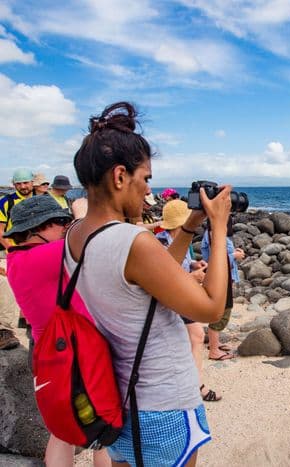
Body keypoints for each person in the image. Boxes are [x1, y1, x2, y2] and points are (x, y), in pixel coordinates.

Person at [66, 101, 231, 466]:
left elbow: (148, 281)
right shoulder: (132, 241)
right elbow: (212, 308)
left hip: (115, 403)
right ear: (120, 176)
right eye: (146, 179)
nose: (147, 191)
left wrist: (188, 228)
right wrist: (218, 228)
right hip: (162, 404)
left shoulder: (75, 236)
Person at [4, 195, 110, 467]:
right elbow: (93, 236)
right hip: (75, 358)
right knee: (105, 429)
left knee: (62, 433)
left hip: (51, 356)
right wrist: (81, 211)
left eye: (65, 222)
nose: (65, 227)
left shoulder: (19, 259)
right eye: (59, 222)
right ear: (36, 229)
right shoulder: (43, 256)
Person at [156, 200, 225, 401]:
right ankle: (197, 386)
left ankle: (193, 384)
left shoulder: (180, 238)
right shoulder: (160, 244)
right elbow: (162, 278)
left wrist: (195, 264)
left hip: (180, 295)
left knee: (191, 337)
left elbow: (182, 263)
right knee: (195, 335)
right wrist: (192, 278)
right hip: (173, 296)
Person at [201, 216, 245, 360]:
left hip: (223, 276)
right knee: (222, 310)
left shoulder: (215, 233)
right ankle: (214, 350)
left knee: (223, 308)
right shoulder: (214, 234)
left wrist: (234, 252)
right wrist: (235, 255)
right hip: (220, 277)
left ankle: (215, 342)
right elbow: (217, 256)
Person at [0, 168, 34, 253]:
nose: (22, 186)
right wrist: (12, 250)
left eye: (26, 182)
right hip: (14, 250)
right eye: (18, 183)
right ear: (14, 185)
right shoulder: (6, 202)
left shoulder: (40, 200)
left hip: (36, 250)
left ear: (32, 182)